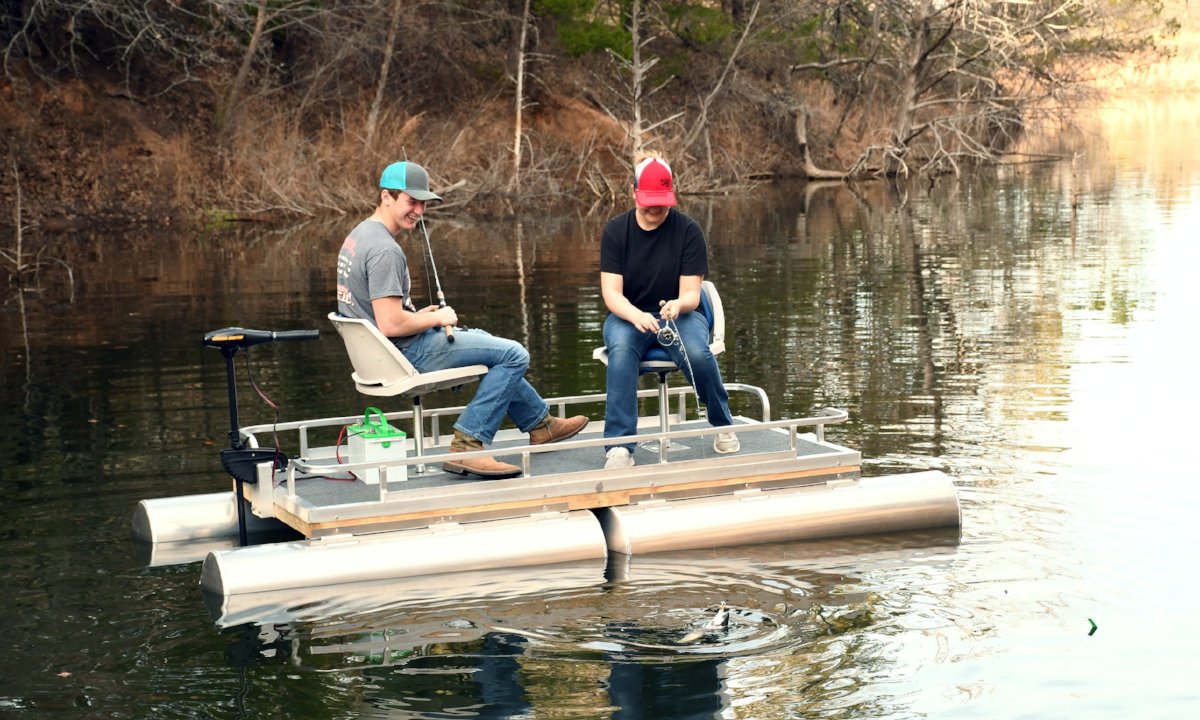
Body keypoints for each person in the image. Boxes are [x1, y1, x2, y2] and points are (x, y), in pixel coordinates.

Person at [336, 160, 587, 478]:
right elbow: (390, 325)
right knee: (513, 354)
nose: (418, 211)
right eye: (411, 202)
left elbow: (379, 315)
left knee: (485, 340)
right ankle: (468, 444)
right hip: (406, 354)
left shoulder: (357, 237)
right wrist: (438, 316)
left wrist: (421, 316)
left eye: (423, 203)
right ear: (386, 197)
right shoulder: (386, 250)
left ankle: (541, 424)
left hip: (382, 354)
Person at [598, 152, 738, 469]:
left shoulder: (688, 231)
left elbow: (691, 292)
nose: (655, 208)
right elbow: (611, 294)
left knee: (698, 354)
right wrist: (635, 316)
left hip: (680, 314)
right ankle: (619, 446)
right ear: (634, 194)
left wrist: (677, 304)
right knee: (620, 354)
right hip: (628, 316)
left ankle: (722, 424)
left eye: (661, 200)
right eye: (648, 200)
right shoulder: (616, 232)